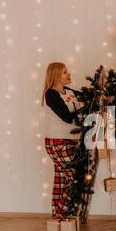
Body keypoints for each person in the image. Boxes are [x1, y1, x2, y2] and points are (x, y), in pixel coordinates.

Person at [41, 62, 83, 217]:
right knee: (76, 177)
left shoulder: (69, 91)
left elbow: (87, 95)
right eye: (65, 72)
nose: (69, 74)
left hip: (69, 140)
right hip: (57, 141)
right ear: (56, 75)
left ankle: (57, 219)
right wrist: (82, 110)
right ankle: (60, 214)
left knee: (61, 179)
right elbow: (66, 117)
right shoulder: (51, 94)